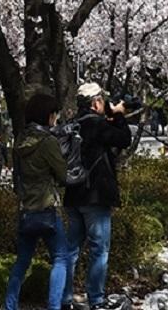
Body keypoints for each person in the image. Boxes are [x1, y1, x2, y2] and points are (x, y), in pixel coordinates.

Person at [3, 93, 76, 310]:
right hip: (47, 209)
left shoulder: (20, 141)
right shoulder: (48, 142)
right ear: (48, 115)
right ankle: (54, 306)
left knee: (21, 262)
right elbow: (63, 175)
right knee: (61, 258)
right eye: (54, 114)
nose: (55, 118)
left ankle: (10, 306)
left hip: (26, 209)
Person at [64, 83, 133, 310]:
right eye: (102, 101)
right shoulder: (97, 124)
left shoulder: (73, 125)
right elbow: (124, 139)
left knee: (71, 250)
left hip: (73, 195)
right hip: (95, 196)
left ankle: (64, 298)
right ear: (96, 103)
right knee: (99, 249)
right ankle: (96, 299)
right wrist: (120, 116)